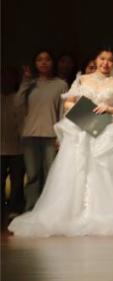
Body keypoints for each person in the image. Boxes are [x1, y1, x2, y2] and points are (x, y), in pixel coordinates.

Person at [9, 49, 113, 237]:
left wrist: (109, 108)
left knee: (105, 169)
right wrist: (83, 108)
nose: (105, 63)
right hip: (83, 126)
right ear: (96, 59)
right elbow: (68, 102)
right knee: (77, 169)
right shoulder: (82, 79)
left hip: (108, 128)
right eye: (102, 58)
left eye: (110, 60)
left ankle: (103, 210)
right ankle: (73, 212)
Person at [17, 51, 68, 211]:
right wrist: (25, 82)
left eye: (47, 59)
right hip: (30, 135)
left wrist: (61, 136)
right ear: (35, 63)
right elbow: (17, 104)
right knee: (32, 175)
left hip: (51, 136)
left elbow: (63, 113)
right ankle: (31, 208)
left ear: (53, 62)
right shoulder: (30, 84)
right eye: (39, 60)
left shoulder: (61, 84)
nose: (44, 62)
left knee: (50, 175)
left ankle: (48, 209)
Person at [1, 67, 25, 215]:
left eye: (10, 77)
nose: (6, 80)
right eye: (3, 77)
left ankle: (15, 208)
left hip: (18, 147)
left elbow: (22, 122)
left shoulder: (19, 98)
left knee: (17, 182)